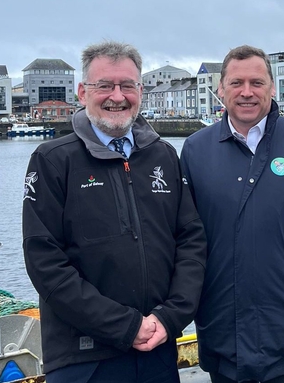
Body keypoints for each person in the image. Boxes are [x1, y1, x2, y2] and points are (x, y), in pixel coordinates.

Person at [22, 40, 207, 383]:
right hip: (83, 359)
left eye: (127, 86)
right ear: (82, 92)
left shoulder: (163, 156)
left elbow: (191, 240)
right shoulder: (52, 161)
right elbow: (44, 261)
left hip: (157, 350)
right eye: (104, 85)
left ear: (140, 90)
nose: (117, 96)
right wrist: (125, 326)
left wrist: (170, 317)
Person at [180, 45, 284, 383]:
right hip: (222, 326)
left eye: (257, 82)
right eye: (236, 83)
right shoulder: (196, 149)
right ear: (221, 89)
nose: (247, 92)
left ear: (272, 87)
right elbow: (184, 235)